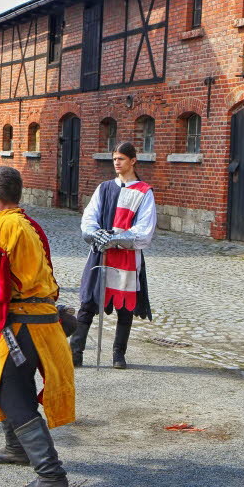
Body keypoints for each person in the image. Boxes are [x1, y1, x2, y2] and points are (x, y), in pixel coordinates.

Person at [0, 165, 74, 487]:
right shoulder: (29, 224)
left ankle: (51, 476)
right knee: (10, 384)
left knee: (13, 395)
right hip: (38, 320)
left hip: (23, 324)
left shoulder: (3, 226)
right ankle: (17, 448)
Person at [69, 141, 156, 370]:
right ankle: (75, 352)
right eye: (115, 159)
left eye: (121, 159)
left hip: (127, 257)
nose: (117, 163)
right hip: (100, 254)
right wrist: (95, 234)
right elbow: (90, 215)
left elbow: (145, 229)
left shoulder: (144, 192)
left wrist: (117, 239)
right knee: (88, 303)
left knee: (125, 308)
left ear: (133, 161)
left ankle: (119, 354)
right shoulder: (105, 188)